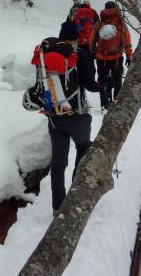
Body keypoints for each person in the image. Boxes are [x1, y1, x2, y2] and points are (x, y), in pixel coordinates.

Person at [43, 28, 102, 214]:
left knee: (58, 162)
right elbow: (90, 84)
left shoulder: (46, 55)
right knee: (83, 151)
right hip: (77, 116)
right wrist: (103, 86)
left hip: (54, 117)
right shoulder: (80, 55)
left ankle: (57, 206)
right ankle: (75, 200)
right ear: (76, 40)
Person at [90, 1, 133, 110]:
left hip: (101, 58)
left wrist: (93, 52)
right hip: (117, 57)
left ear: (105, 9)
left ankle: (105, 104)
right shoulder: (121, 23)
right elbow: (127, 41)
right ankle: (117, 103)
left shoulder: (99, 23)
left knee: (102, 80)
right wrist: (129, 56)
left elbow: (92, 40)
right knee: (117, 79)